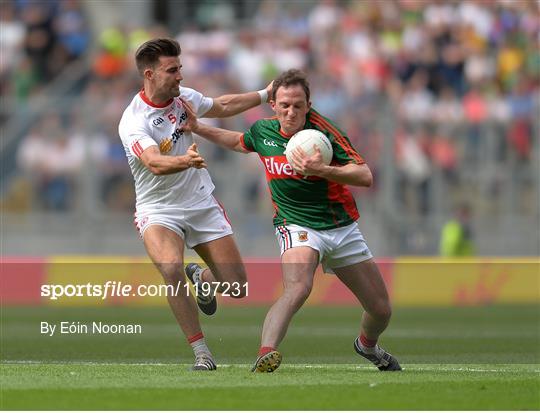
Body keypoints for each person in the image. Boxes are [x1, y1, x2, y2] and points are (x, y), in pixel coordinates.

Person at [180, 69, 401, 372]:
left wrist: (324, 170)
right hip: (296, 224)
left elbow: (364, 175)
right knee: (298, 288)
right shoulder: (263, 131)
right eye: (284, 105)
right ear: (273, 104)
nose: (291, 111)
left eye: (298, 105)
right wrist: (198, 127)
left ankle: (367, 345)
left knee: (380, 309)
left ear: (309, 105)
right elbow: (239, 142)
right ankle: (265, 353)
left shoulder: (325, 133)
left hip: (340, 226)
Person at [118, 38, 272, 371]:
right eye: (172, 70)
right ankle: (202, 352)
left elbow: (224, 106)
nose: (180, 77)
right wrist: (186, 161)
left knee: (237, 287)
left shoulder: (183, 99)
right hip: (158, 210)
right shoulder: (133, 120)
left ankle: (203, 278)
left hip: (200, 204)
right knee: (171, 269)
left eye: (180, 69)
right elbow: (154, 162)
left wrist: (264, 94)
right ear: (149, 74)